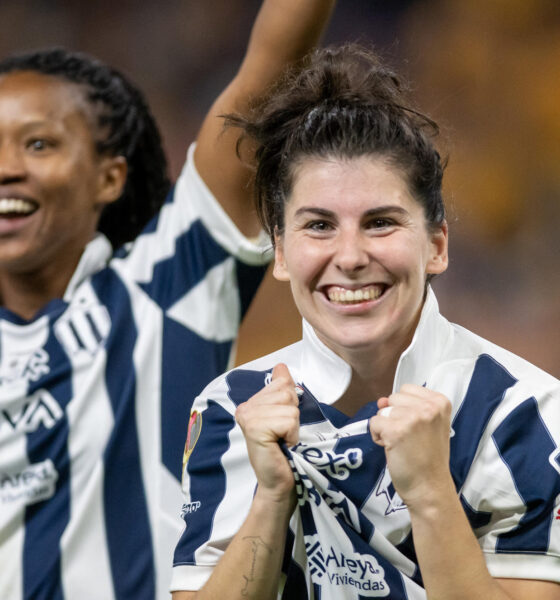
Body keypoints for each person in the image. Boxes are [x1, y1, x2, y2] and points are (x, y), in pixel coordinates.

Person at [171, 44, 560, 599]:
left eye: (380, 223)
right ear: (280, 252)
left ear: (437, 245)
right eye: (319, 225)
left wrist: (429, 493)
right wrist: (271, 496)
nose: (350, 256)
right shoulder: (231, 409)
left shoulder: (527, 413)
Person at [0, 2, 336, 599]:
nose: (5, 169)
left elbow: (271, 67)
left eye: (39, 144)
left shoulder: (167, 283)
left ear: (110, 177)